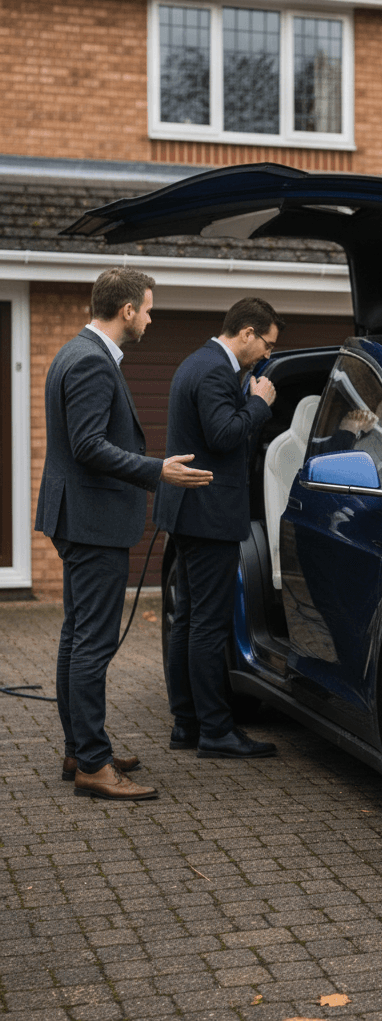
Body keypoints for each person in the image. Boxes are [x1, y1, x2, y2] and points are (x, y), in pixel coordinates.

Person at [36, 267, 213, 801]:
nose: (153, 318)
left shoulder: (75, 351)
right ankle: (93, 764)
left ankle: (81, 748)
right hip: (93, 523)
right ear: (128, 310)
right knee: (92, 642)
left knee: (76, 637)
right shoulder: (91, 361)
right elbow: (89, 445)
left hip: (79, 518)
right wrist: (157, 469)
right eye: (149, 308)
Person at [155, 297, 283, 759]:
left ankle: (187, 724)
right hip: (207, 516)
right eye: (266, 343)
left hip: (190, 512)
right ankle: (215, 732)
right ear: (246, 332)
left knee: (188, 621)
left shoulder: (199, 362)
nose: (268, 353)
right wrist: (258, 402)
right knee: (208, 626)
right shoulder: (213, 370)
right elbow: (223, 435)